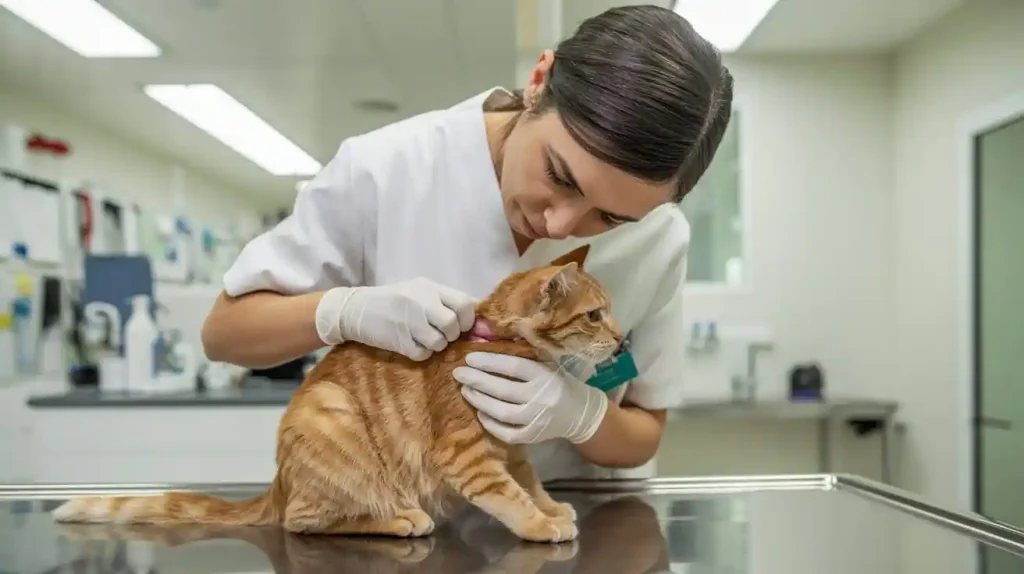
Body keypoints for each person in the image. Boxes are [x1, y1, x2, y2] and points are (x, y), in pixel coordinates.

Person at [202, 5, 733, 482]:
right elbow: (225, 334)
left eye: (611, 217)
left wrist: (582, 416)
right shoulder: (385, 170)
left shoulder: (658, 238)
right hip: (416, 518)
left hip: (580, 520)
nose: (559, 225)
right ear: (539, 81)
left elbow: (644, 430)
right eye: (559, 176)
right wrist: (344, 311)